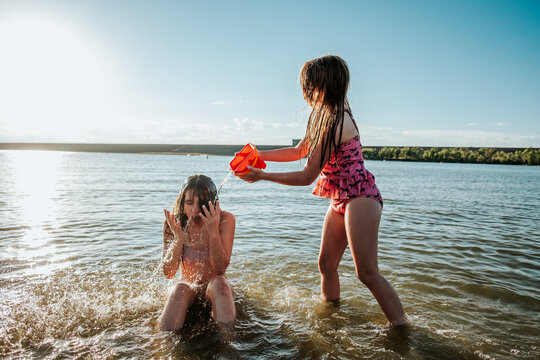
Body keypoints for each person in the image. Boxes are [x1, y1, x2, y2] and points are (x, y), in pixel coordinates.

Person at [241, 55, 407, 326]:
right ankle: (331, 318)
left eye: (311, 85)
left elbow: (308, 175)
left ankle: (402, 329)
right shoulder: (320, 116)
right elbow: (299, 151)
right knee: (326, 265)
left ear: (325, 84)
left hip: (360, 196)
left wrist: (262, 176)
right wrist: (259, 155)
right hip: (340, 197)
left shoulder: (337, 120)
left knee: (366, 272)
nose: (307, 92)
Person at [158, 174, 236, 331]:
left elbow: (220, 269)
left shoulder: (225, 219)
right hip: (188, 288)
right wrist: (178, 238)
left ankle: (230, 343)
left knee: (220, 283)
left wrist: (213, 231)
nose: (195, 210)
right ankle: (162, 347)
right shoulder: (173, 222)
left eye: (202, 204)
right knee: (179, 289)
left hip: (215, 289)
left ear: (213, 203)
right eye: (188, 203)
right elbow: (168, 272)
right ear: (182, 202)